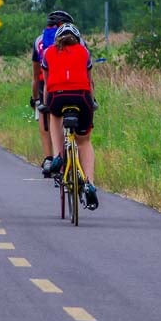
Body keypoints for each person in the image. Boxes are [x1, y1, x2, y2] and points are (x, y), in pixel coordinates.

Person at [40, 23, 98, 210]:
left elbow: (47, 85)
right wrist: (92, 102)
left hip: (57, 96)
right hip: (81, 97)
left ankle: (58, 156)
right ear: (77, 38)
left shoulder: (48, 53)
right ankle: (89, 184)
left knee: (54, 115)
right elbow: (90, 82)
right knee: (84, 141)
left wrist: (46, 105)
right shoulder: (83, 52)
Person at [31, 10, 75, 177]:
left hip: (47, 82)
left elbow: (35, 75)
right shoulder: (76, 39)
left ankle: (49, 158)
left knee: (45, 113)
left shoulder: (39, 41)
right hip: (74, 85)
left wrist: (35, 98)